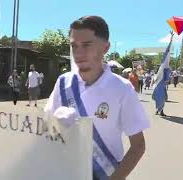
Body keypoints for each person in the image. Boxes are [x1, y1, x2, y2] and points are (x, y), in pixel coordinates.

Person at [44, 16, 149, 180]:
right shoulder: (63, 82)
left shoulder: (122, 88)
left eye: (86, 45)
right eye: (74, 46)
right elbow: (45, 127)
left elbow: (138, 145)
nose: (78, 53)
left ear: (105, 47)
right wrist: (55, 123)